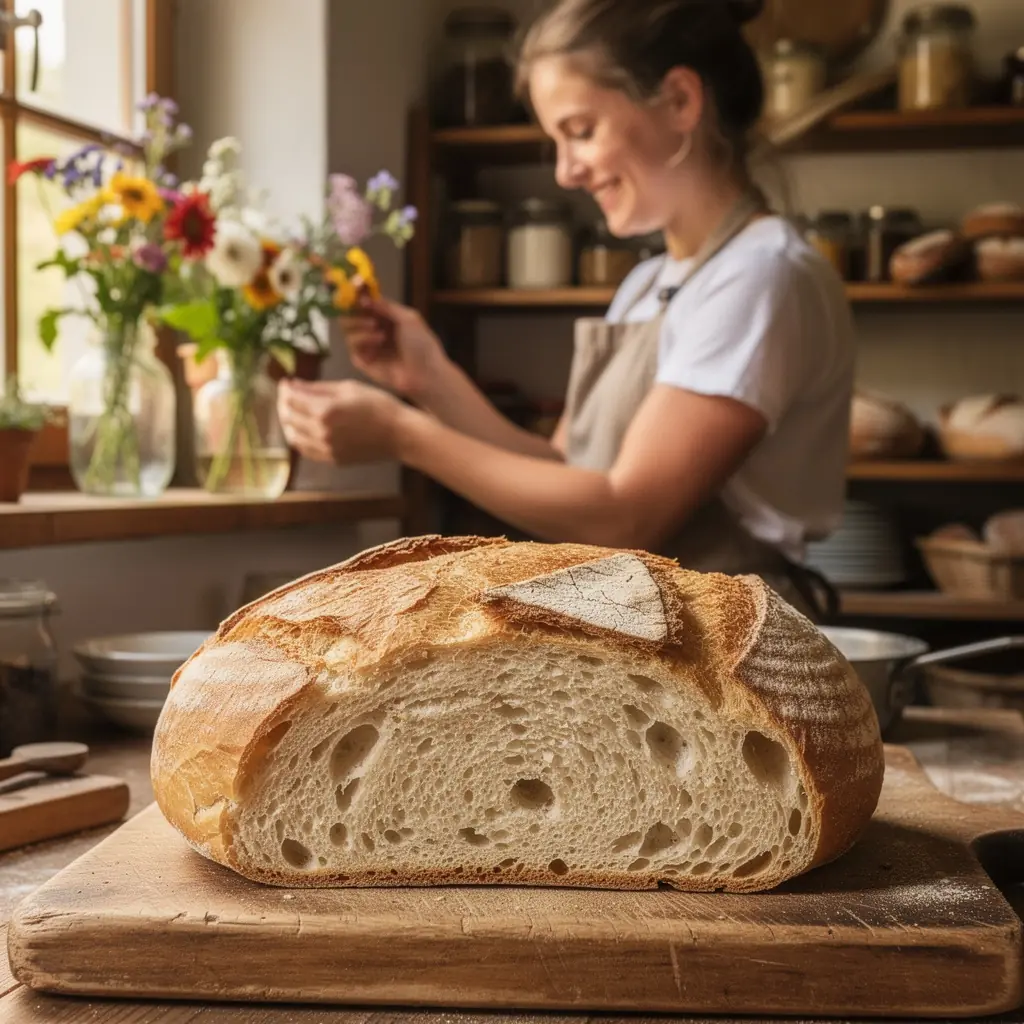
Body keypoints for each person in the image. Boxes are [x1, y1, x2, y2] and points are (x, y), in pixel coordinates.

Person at [278, 0, 855, 619]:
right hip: (647, 627)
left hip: (735, 638)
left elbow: (625, 513)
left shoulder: (759, 274)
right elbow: (563, 471)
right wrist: (429, 378)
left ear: (682, 101)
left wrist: (402, 434)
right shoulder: (647, 283)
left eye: (581, 132)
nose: (565, 172)